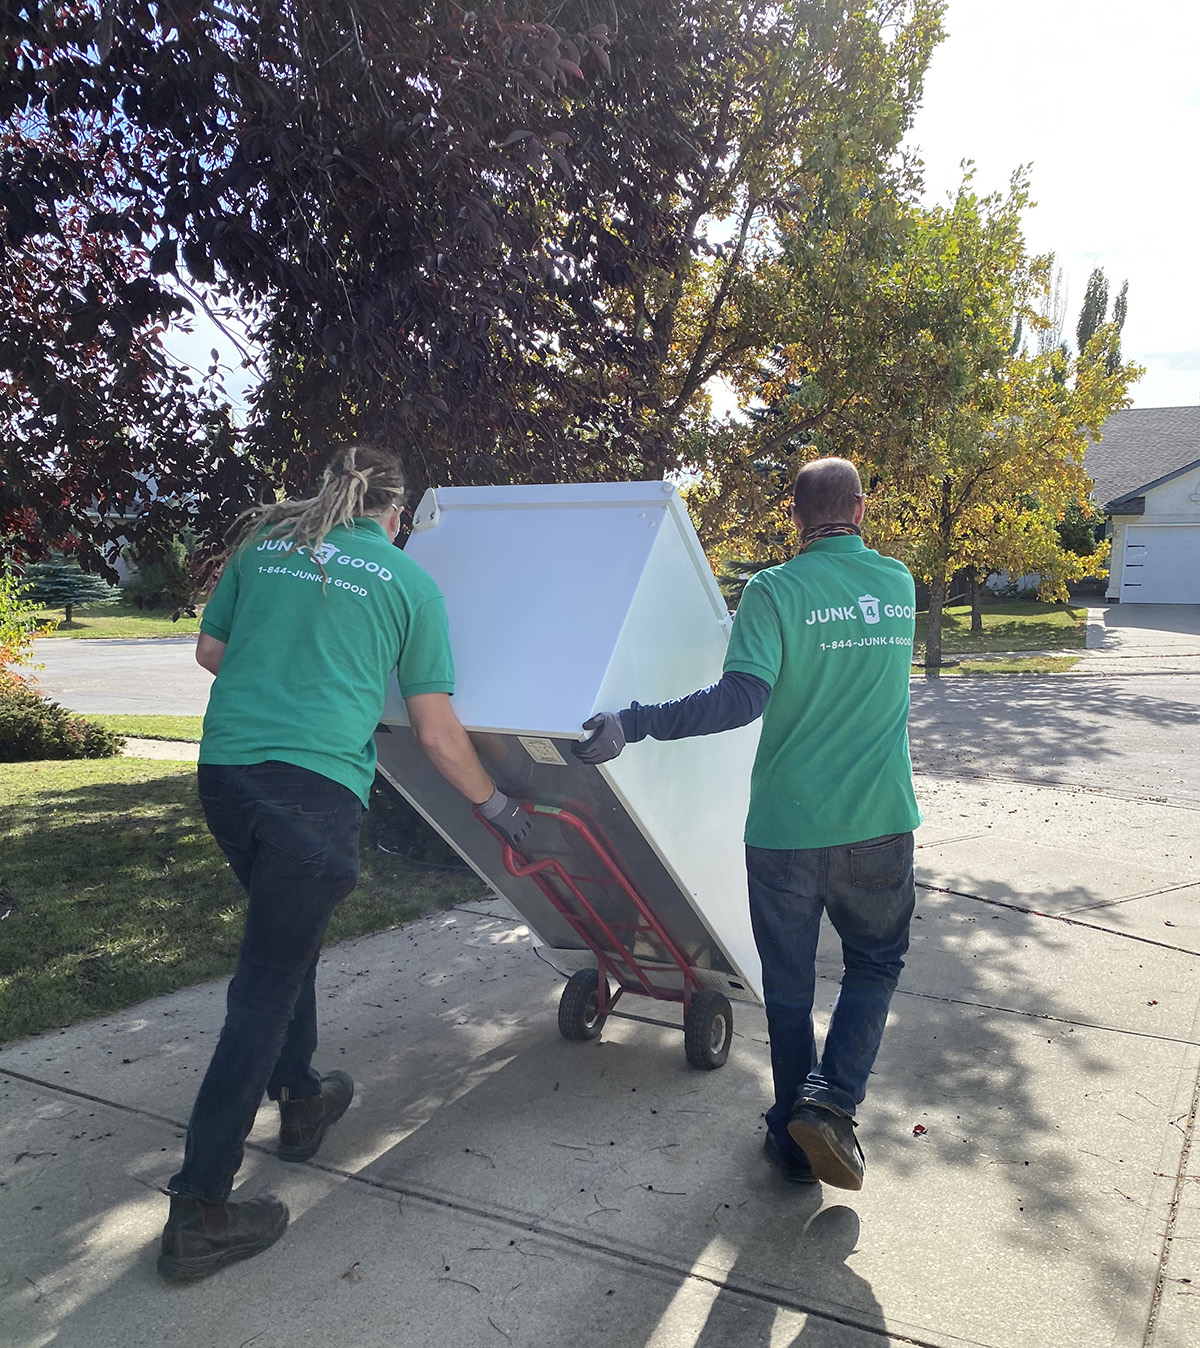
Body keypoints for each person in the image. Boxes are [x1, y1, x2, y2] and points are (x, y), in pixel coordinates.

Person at [158, 447, 531, 1280]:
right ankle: (200, 1210)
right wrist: (499, 808)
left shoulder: (266, 548)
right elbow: (437, 733)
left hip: (227, 779)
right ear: (398, 515)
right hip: (311, 798)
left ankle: (302, 1099)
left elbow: (211, 653)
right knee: (262, 989)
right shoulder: (405, 581)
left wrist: (286, 657)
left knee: (286, 948)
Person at [573, 457, 920, 1191]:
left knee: (789, 991)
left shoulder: (773, 591)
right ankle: (833, 1100)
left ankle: (796, 1143)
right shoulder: (897, 585)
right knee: (875, 964)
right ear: (860, 510)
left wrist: (633, 722)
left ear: (794, 518)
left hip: (786, 832)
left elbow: (739, 700)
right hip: (878, 824)